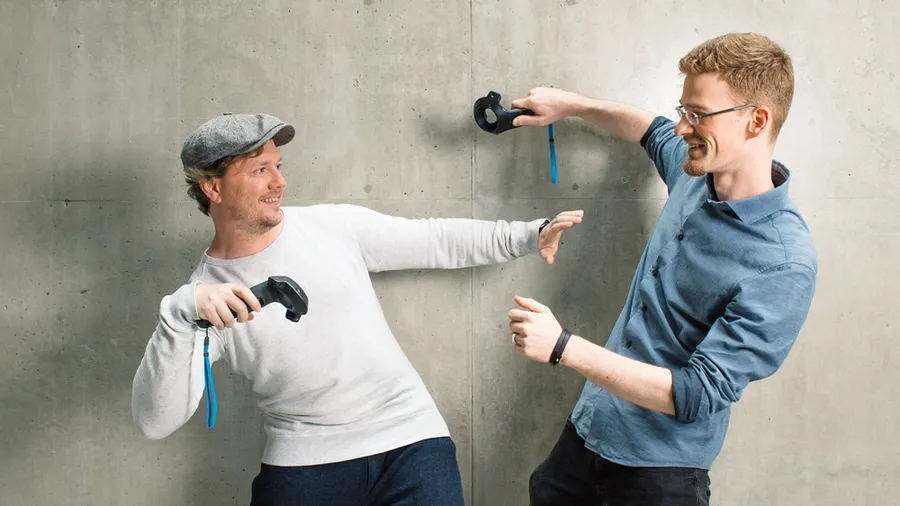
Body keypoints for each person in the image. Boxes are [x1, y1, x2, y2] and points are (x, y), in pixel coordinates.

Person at [130, 112, 583, 506]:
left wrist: (529, 233)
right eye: (260, 170)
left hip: (411, 441)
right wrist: (179, 314)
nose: (280, 182)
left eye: (279, 166)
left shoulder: (331, 227)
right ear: (213, 187)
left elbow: (434, 239)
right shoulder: (204, 299)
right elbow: (155, 421)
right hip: (304, 465)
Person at [505, 32, 817, 505]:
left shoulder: (784, 262)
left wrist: (563, 347)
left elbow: (695, 392)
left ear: (757, 120)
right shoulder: (696, 170)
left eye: (699, 114)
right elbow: (650, 129)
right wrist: (571, 105)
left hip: (658, 475)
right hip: (590, 429)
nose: (684, 127)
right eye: (684, 110)